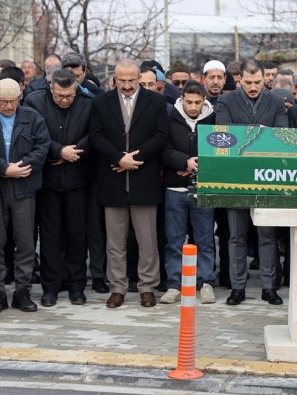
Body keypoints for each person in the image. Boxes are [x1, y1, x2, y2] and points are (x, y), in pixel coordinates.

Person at [89, 59, 169, 308]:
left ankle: (147, 287)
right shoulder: (101, 102)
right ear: (114, 78)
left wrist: (134, 158)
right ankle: (118, 288)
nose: (126, 85)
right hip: (112, 179)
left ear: (139, 78)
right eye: (121, 80)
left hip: (143, 180)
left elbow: (161, 135)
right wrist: (118, 158)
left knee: (148, 241)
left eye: (130, 80)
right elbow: (96, 135)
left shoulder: (155, 101)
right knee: (115, 242)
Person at [215, 60, 288, 306]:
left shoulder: (276, 102)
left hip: (267, 176)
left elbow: (280, 136)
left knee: (266, 234)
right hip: (236, 176)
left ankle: (270, 287)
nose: (254, 87)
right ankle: (238, 288)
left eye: (258, 82)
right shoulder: (226, 101)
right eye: (248, 82)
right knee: (236, 235)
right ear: (240, 80)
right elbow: (223, 133)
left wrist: (245, 132)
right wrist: (259, 131)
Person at [25, 69, 93, 307]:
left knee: (77, 235)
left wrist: (73, 152)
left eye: (69, 96)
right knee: (50, 237)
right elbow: (32, 137)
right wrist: (58, 151)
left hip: (78, 179)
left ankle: (76, 287)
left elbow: (94, 135)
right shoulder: (34, 102)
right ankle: (50, 288)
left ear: (76, 89)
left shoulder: (87, 103)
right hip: (48, 181)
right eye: (59, 96)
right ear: (50, 88)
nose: (65, 100)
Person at [160, 81, 217, 305]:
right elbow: (163, 149)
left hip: (203, 187)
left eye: (197, 102)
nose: (193, 107)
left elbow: (218, 147)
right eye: (189, 102)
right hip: (175, 187)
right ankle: (174, 284)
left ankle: (206, 282)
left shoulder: (213, 119)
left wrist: (199, 164)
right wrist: (184, 161)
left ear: (204, 101)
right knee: (174, 239)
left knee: (205, 238)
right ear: (181, 99)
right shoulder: (170, 117)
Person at [0, 79, 51, 312]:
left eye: (12, 101)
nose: (9, 106)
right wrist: (4, 168)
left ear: (19, 98)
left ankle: (22, 291)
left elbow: (43, 147)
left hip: (24, 185)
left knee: (25, 242)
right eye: (3, 102)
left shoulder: (32, 117)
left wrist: (21, 167)